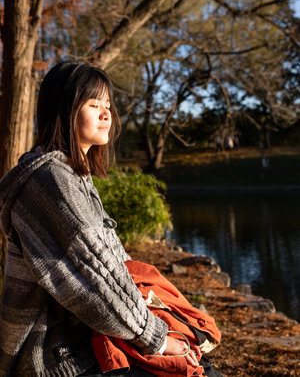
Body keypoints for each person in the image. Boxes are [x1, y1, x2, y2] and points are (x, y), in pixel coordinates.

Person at [0, 62, 207, 376]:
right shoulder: (49, 180)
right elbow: (93, 285)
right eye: (93, 105)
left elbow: (112, 268)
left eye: (108, 105)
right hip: (54, 354)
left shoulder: (74, 174)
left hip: (89, 335)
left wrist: (158, 320)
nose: (106, 114)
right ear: (63, 111)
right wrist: (156, 338)